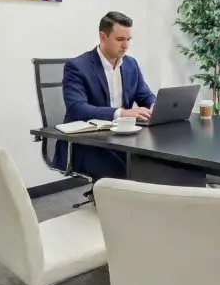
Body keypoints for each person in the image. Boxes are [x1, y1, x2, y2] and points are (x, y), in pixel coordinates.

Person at [55, 11, 156, 180]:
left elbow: (145, 95)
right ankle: (112, 203)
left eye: (128, 39)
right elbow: (77, 108)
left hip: (122, 137)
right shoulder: (77, 67)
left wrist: (156, 106)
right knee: (127, 170)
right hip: (87, 142)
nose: (126, 45)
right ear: (103, 36)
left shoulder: (130, 64)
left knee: (157, 162)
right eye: (120, 40)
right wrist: (120, 112)